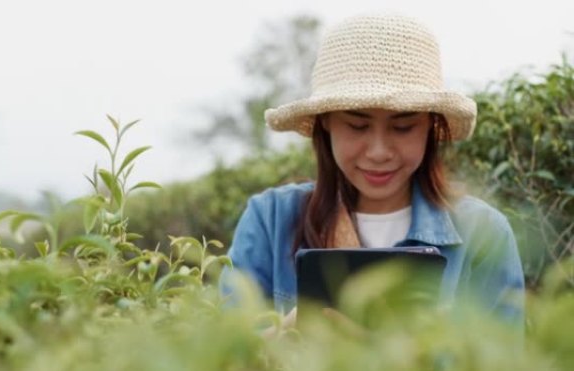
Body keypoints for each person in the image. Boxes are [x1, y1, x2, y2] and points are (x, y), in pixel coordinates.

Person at [220, 13, 525, 331]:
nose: (379, 152)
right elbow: (223, 363)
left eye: (403, 126)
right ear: (326, 122)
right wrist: (277, 343)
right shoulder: (270, 220)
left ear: (431, 126)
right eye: (357, 125)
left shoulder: (484, 234)